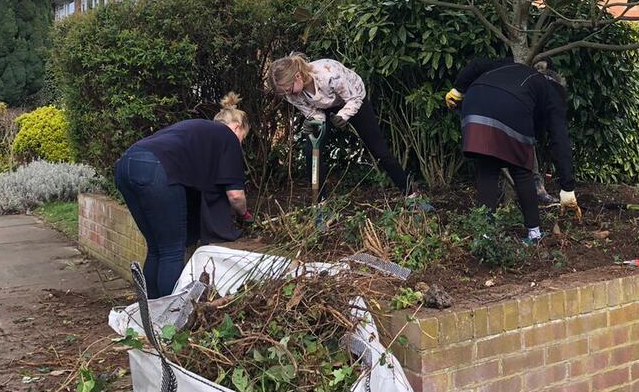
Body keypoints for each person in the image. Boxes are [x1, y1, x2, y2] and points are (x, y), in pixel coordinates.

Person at [114, 93, 251, 299]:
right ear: (237, 128)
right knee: (171, 251)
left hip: (126, 165)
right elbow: (235, 195)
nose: (240, 143)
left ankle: (150, 311)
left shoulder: (199, 130)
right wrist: (244, 214)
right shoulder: (227, 137)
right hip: (157, 170)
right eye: (243, 138)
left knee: (157, 248)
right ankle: (171, 317)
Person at [446, 58, 577, 243]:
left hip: (475, 100)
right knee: (522, 169)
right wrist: (567, 187)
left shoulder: (511, 66)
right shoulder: (553, 91)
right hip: (512, 106)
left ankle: (485, 235)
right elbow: (559, 138)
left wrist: (458, 90)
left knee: (488, 168)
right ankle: (534, 234)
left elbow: (476, 65)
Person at [267, 54, 412, 197]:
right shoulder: (290, 94)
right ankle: (320, 204)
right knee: (311, 151)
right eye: (283, 92)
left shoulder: (328, 74)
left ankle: (410, 195)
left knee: (380, 150)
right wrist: (314, 123)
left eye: (288, 89)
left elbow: (354, 98)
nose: (287, 94)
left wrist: (343, 116)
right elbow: (313, 113)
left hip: (353, 99)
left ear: (298, 76)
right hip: (325, 106)